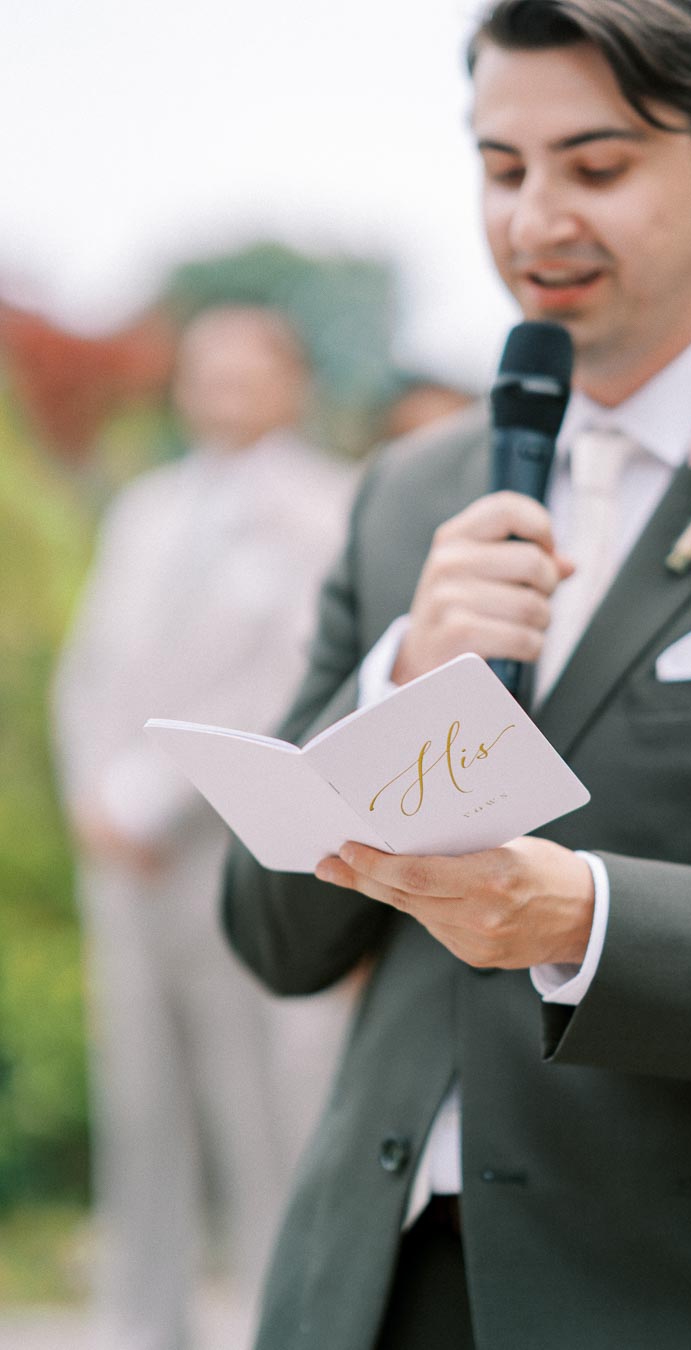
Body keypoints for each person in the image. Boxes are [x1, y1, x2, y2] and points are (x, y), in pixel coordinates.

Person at [223, 4, 691, 1347]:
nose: (534, 223)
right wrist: (403, 678)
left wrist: (585, 922)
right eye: (501, 167)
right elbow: (274, 933)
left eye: (596, 168)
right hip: (375, 1288)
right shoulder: (407, 488)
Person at [53, 304, 359, 1350]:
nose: (218, 389)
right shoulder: (145, 508)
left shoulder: (329, 510)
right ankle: (144, 1324)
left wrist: (152, 790)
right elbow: (89, 669)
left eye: (243, 371)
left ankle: (284, 1319)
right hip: (122, 869)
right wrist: (93, 794)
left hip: (233, 851)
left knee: (259, 1106)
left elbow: (295, 679)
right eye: (203, 371)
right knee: (137, 1109)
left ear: (290, 382)